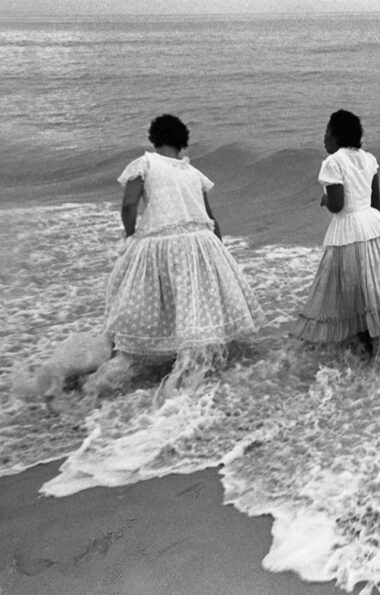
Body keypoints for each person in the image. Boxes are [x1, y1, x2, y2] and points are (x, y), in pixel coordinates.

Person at [91, 114, 265, 390]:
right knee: (191, 302)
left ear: (154, 137)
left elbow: (129, 206)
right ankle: (195, 365)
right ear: (183, 142)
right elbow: (209, 216)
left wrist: (131, 235)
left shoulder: (145, 163)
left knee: (144, 299)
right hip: (200, 242)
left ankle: (131, 362)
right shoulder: (192, 172)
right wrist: (218, 250)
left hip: (162, 241)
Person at [292, 109, 380, 356]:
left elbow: (338, 205)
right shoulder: (369, 159)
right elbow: (376, 202)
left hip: (348, 230)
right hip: (373, 226)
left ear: (337, 136)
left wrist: (325, 200)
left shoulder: (333, 162)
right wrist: (371, 223)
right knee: (373, 287)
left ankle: (363, 344)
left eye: (327, 132)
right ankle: (379, 340)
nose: (324, 137)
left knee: (352, 289)